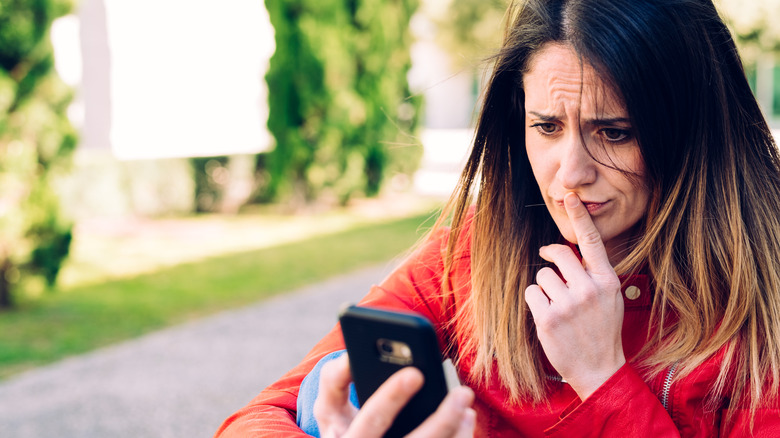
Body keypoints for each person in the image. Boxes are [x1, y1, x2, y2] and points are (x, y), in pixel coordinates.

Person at [215, 0, 780, 435]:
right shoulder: (474, 248)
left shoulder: (761, 308)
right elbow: (259, 415)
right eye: (547, 127)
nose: (571, 173)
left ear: (696, 134)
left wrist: (602, 379)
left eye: (615, 132)